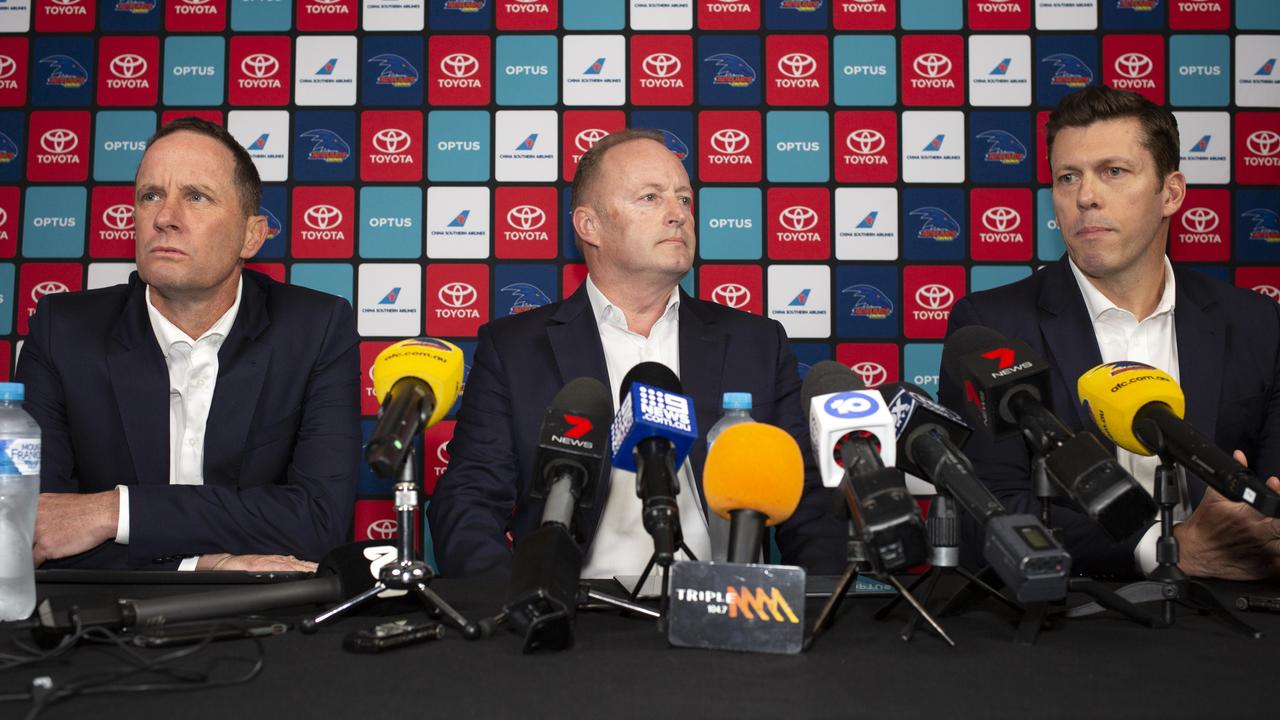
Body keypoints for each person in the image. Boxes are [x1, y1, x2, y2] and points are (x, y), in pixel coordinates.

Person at [429, 129, 845, 578]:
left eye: (684, 199)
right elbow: (468, 501)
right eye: (650, 197)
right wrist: (512, 611)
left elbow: (811, 507)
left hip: (728, 616)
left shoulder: (756, 343)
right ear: (590, 226)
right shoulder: (515, 349)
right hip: (579, 622)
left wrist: (814, 619)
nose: (677, 215)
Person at [938, 86, 1280, 580]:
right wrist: (1165, 549)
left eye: (1113, 172)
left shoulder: (1255, 323)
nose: (1086, 196)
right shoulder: (991, 326)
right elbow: (987, 509)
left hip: (1236, 619)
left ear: (1171, 193)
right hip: (1075, 625)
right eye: (1067, 177)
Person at [18, 117, 361, 571]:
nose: (164, 218)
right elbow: (36, 529)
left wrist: (113, 512)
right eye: (151, 196)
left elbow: (319, 521)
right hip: (104, 616)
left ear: (251, 235)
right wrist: (197, 567)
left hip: (268, 621)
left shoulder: (315, 329)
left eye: (196, 197)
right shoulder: (62, 331)